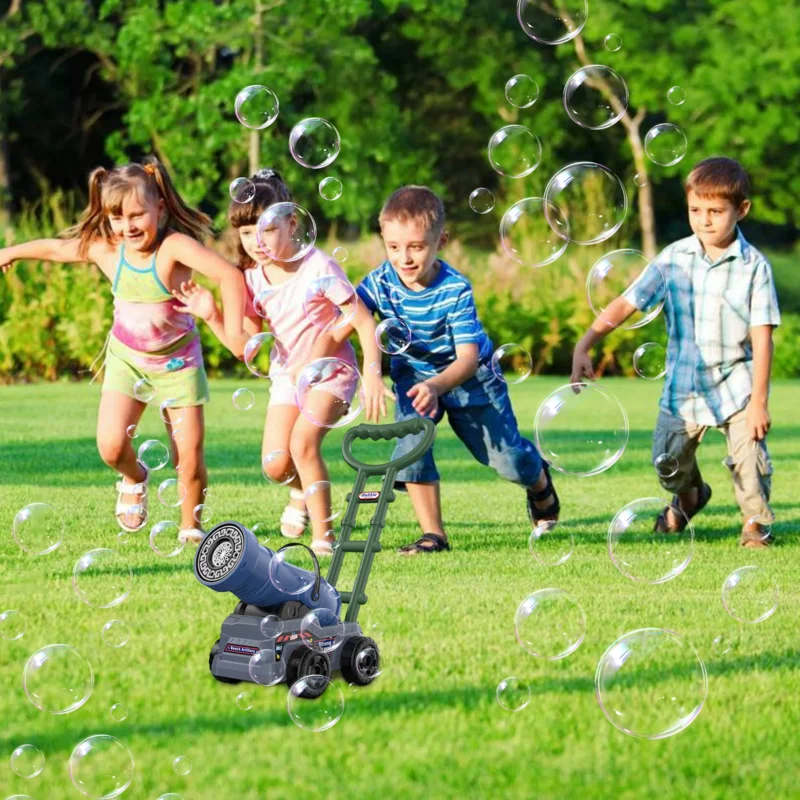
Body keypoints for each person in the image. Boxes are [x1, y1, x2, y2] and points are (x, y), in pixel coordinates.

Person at [0, 158, 249, 544]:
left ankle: (190, 527)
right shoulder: (106, 250)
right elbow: (55, 249)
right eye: (117, 217)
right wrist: (10, 251)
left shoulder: (174, 248)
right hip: (127, 361)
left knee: (188, 457)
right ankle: (134, 476)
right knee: (111, 446)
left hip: (178, 364)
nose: (127, 225)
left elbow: (229, 276)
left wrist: (232, 331)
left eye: (137, 214)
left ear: (160, 209)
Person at [324, 185, 559, 555]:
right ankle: (434, 535)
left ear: (441, 240)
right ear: (383, 240)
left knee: (506, 460)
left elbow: (466, 358)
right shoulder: (379, 282)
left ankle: (539, 480)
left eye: (416, 246)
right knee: (411, 449)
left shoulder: (455, 290)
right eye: (394, 247)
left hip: (472, 377)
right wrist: (338, 356)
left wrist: (435, 386)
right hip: (413, 376)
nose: (404, 258)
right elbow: (351, 318)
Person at [172, 169, 391, 556]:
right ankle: (299, 491)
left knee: (303, 444)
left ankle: (324, 539)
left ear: (292, 223)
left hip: (332, 373)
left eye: (267, 228)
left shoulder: (318, 267)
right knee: (276, 464)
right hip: (288, 376)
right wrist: (211, 315)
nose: (255, 241)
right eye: (244, 233)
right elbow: (245, 347)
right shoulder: (251, 279)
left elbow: (361, 320)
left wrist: (372, 375)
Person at [571, 157, 780, 548]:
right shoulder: (673, 258)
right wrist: (586, 342)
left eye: (716, 211)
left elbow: (763, 336)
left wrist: (760, 402)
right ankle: (689, 496)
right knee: (667, 465)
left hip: (737, 387)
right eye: (695, 210)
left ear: (742, 210)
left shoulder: (755, 267)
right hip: (683, 388)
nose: (704, 220)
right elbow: (627, 302)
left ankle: (755, 523)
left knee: (749, 462)